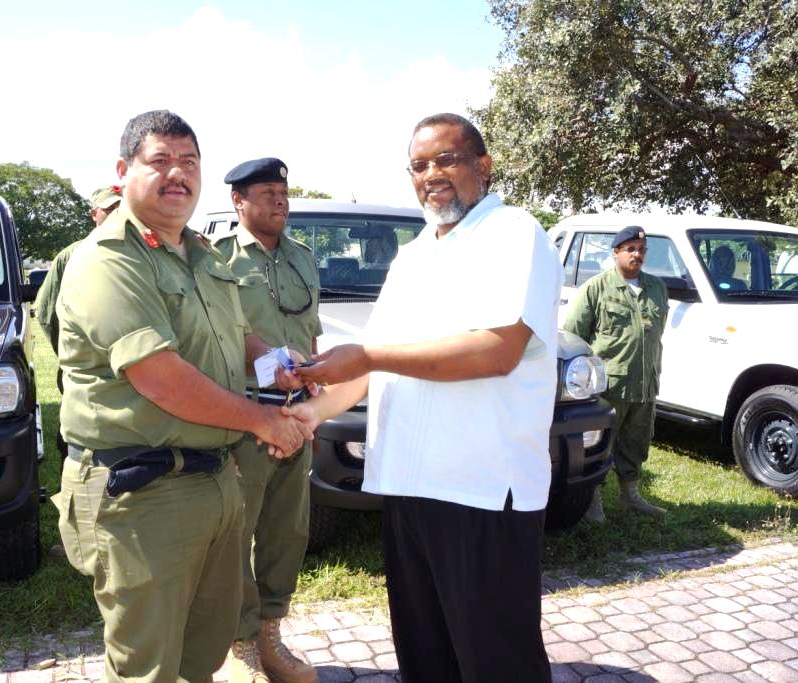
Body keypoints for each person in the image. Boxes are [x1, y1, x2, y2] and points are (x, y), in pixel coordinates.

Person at [289, 113, 560, 683]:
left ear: (483, 166)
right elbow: (374, 361)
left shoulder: (512, 233)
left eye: (446, 160)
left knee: (495, 662)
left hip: (481, 491)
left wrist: (367, 357)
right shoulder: (412, 255)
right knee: (425, 655)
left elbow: (497, 350)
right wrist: (309, 414)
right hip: (409, 487)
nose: (431, 174)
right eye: (418, 165)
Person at [51, 110, 311, 683]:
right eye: (160, 161)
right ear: (123, 171)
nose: (178, 174)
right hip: (142, 491)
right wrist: (262, 420)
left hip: (212, 477)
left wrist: (277, 365)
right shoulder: (107, 259)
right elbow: (159, 376)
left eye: (189, 162)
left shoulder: (202, 253)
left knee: (201, 656)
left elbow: (233, 336)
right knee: (148, 666)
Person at [214, 158, 322, 683]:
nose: (280, 200)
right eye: (266, 192)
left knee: (287, 530)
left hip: (297, 411)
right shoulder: (218, 258)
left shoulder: (303, 256)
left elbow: (312, 333)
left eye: (283, 191)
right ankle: (240, 644)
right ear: (239, 201)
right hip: (247, 411)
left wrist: (318, 392)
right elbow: (218, 332)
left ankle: (270, 633)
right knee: (238, 531)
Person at [563, 226, 669, 522]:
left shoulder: (656, 288)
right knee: (598, 444)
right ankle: (591, 498)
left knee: (636, 442)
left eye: (642, 250)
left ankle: (629, 495)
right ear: (616, 253)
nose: (637, 254)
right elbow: (574, 337)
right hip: (609, 385)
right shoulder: (596, 288)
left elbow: (656, 333)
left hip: (644, 382)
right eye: (630, 249)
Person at [34, 185, 122, 467]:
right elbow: (47, 311)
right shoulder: (72, 255)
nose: (116, 213)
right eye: (109, 209)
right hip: (86, 362)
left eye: (121, 207)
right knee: (79, 423)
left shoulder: (142, 251)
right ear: (94, 214)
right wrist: (70, 352)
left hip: (128, 361)